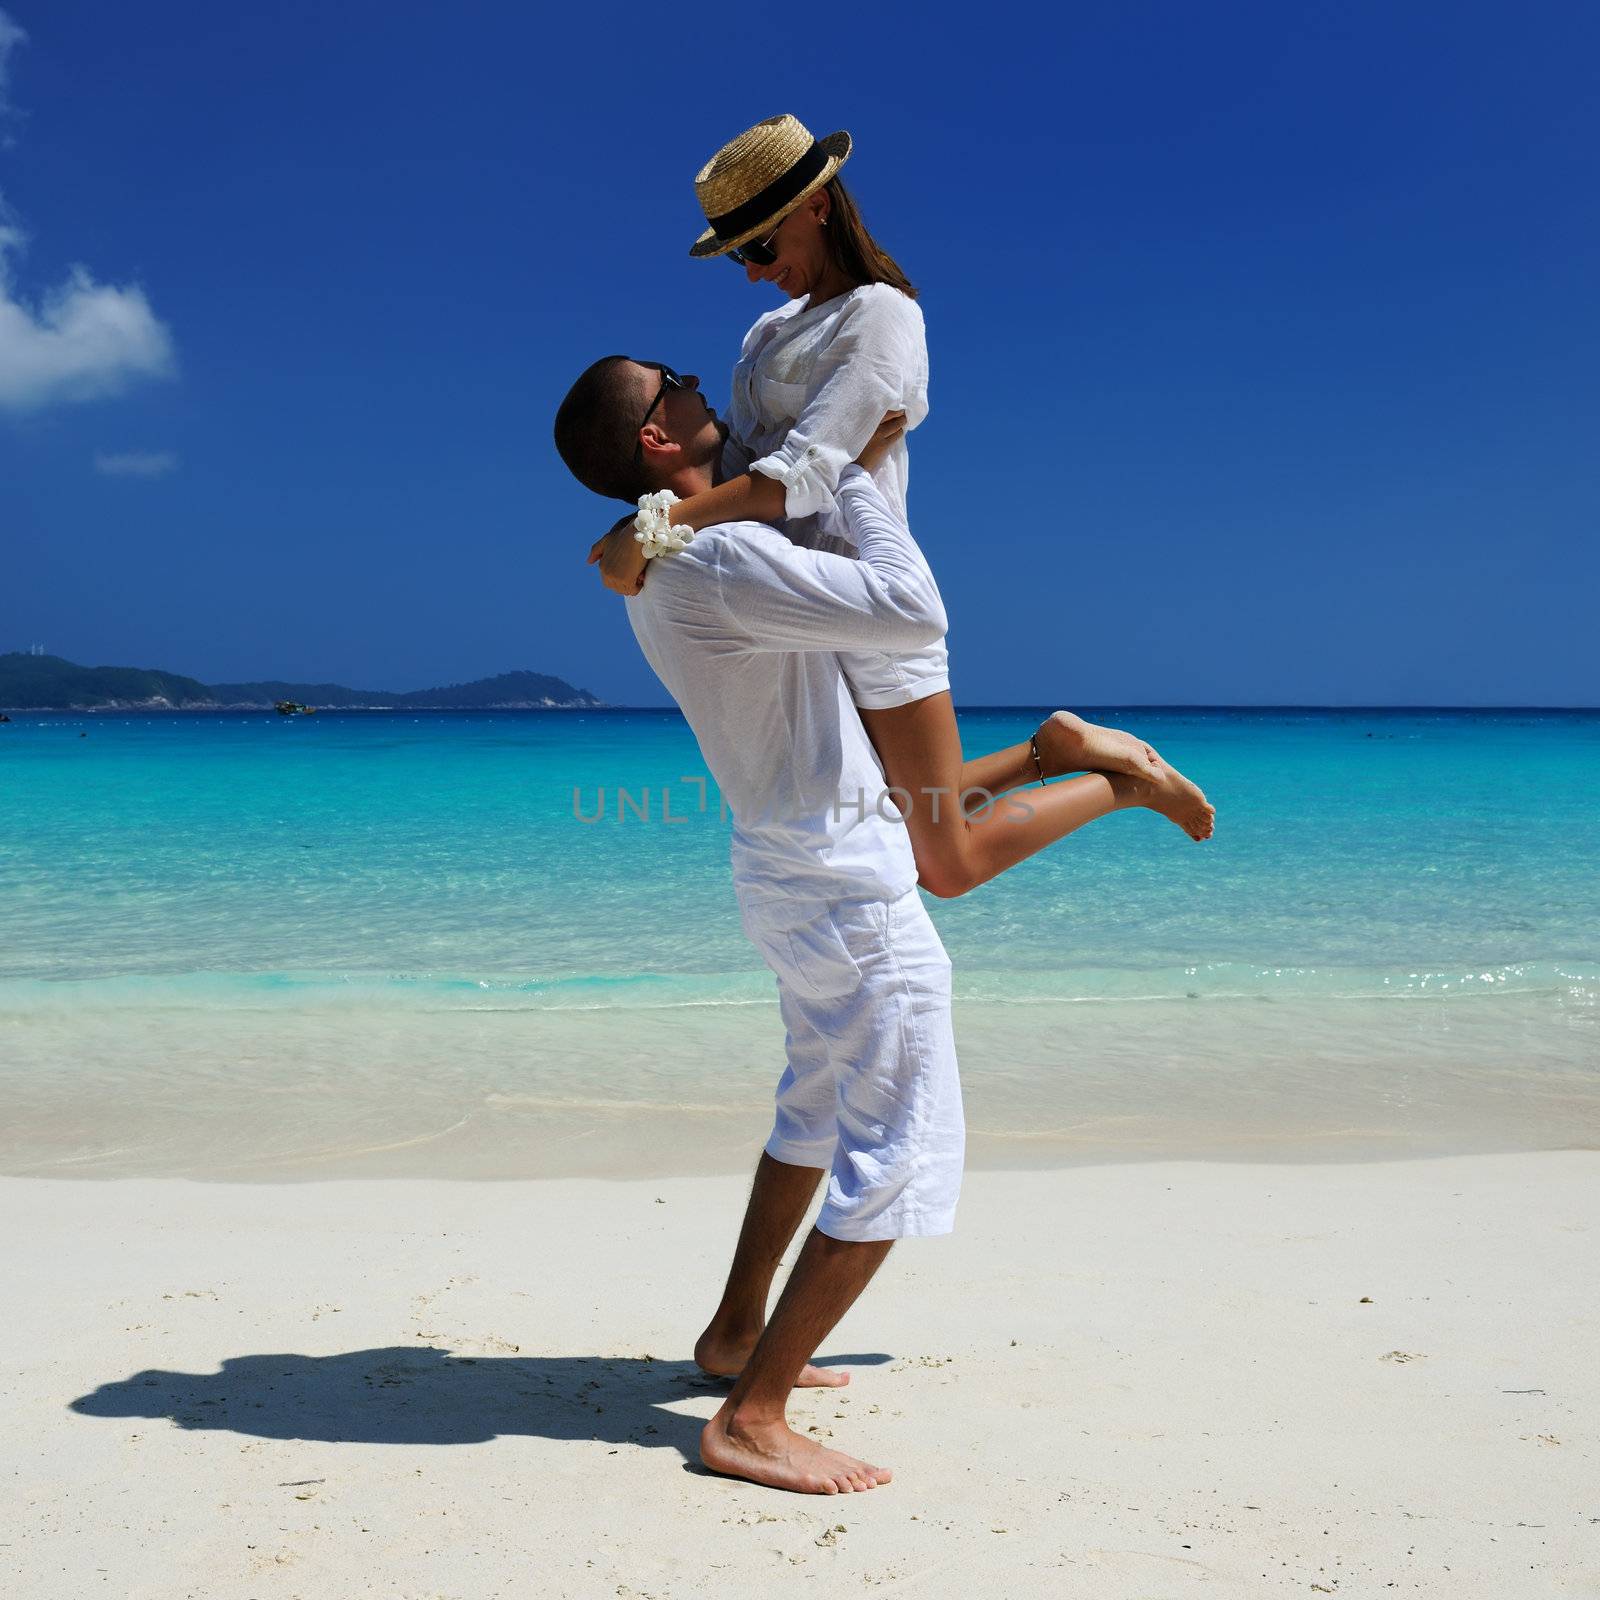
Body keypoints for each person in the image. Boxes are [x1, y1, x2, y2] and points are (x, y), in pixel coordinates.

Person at [554, 358, 1209, 1496]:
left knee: (813, 1106)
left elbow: (861, 760)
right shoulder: (718, 556)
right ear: (658, 441)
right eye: (674, 383)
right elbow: (913, 611)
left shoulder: (664, 554)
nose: (702, 379)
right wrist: (854, 472)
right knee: (899, 1147)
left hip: (793, 862)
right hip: (842, 891)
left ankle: (729, 1336)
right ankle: (751, 1417)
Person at [585, 115, 1212, 899]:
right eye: (739, 255)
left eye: (759, 247)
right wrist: (639, 517)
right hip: (794, 602)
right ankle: (1050, 748)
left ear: (815, 207)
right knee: (891, 808)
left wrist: (656, 527)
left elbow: (802, 480)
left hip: (873, 594)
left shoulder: (881, 317)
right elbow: (730, 471)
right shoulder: (765, 333)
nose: (751, 272)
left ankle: (1126, 786)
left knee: (945, 864)